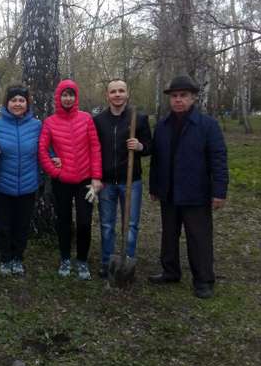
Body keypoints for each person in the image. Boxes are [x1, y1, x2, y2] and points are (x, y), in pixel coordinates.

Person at [148, 75, 228, 299]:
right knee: (169, 235)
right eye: (174, 96)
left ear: (193, 98)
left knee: (198, 237)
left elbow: (219, 159)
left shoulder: (207, 125)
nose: (178, 100)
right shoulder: (162, 126)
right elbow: (157, 159)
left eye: (183, 96)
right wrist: (155, 186)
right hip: (169, 191)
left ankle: (203, 280)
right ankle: (170, 271)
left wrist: (219, 191)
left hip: (196, 192)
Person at [38, 80, 103, 280]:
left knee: (84, 223)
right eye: (64, 95)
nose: (68, 98)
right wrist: (55, 172)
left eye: (71, 94)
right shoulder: (50, 122)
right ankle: (65, 258)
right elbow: (42, 151)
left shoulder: (86, 119)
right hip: (62, 182)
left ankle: (82, 260)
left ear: (76, 97)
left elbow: (95, 148)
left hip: (84, 181)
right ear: (58, 97)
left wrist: (96, 177)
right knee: (63, 221)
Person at [94, 80, 152, 279]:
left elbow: (150, 147)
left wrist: (140, 146)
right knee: (107, 224)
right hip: (107, 182)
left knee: (132, 224)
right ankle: (107, 262)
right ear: (107, 95)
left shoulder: (139, 119)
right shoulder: (99, 120)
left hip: (131, 182)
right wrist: (96, 177)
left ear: (127, 94)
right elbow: (94, 149)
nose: (117, 95)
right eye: (113, 91)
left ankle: (127, 261)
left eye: (121, 91)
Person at [0, 83, 41, 276]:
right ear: (7, 102)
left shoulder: (37, 125)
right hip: (1, 184)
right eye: (14, 100)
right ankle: (5, 258)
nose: (17, 104)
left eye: (21, 100)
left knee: (22, 224)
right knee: (4, 224)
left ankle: (18, 257)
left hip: (28, 184)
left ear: (27, 103)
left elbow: (44, 150)